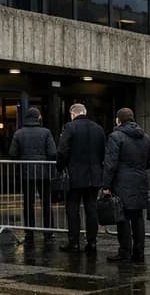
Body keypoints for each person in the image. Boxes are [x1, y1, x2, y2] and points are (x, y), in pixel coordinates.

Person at [102, 107, 150, 263]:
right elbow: (149, 162)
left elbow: (111, 163)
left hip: (122, 182)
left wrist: (106, 185)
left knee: (122, 217)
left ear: (119, 120)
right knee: (138, 218)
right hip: (140, 181)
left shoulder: (115, 136)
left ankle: (124, 251)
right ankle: (139, 252)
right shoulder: (145, 137)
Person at [56, 102, 106, 252]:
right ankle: (92, 242)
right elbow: (103, 151)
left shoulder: (69, 128)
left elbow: (62, 150)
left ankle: (74, 242)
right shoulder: (98, 128)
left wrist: (60, 167)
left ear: (73, 114)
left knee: (72, 209)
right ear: (84, 112)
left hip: (75, 175)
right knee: (91, 209)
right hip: (94, 175)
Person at [7, 107, 58, 240]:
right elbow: (53, 152)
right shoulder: (46, 132)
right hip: (44, 172)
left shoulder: (19, 133)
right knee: (46, 202)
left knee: (28, 203)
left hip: (26, 172)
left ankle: (29, 232)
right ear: (38, 117)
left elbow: (12, 153)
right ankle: (48, 231)